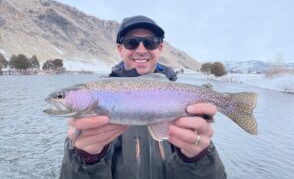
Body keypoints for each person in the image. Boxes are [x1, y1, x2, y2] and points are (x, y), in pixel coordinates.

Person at [59, 15, 227, 179]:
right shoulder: (88, 117)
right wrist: (85, 157)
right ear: (120, 49)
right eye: (131, 42)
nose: (141, 50)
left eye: (150, 42)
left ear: (160, 48)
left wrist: (199, 158)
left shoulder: (181, 96)